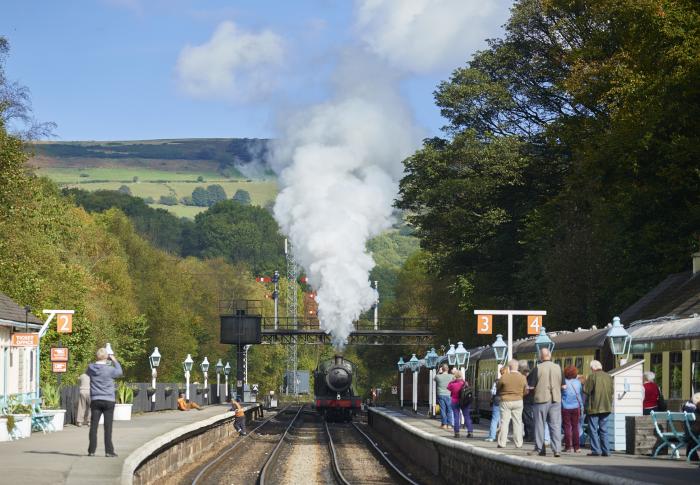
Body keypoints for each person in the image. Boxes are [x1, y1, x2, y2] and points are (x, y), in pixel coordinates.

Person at [528, 348, 565, 457]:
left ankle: (540, 449)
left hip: (541, 400)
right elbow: (564, 386)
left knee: (539, 425)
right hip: (556, 399)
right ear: (550, 355)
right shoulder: (558, 368)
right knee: (555, 425)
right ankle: (557, 450)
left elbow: (531, 386)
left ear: (540, 357)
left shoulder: (537, 368)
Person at [87, 348, 122, 457]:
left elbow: (88, 374)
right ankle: (109, 451)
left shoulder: (91, 368)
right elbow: (120, 372)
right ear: (106, 357)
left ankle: (91, 450)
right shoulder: (110, 369)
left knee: (94, 426)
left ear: (97, 356)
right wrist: (114, 360)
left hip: (96, 399)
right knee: (108, 427)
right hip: (108, 400)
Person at [583, 360, 613, 457]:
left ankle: (596, 450)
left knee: (593, 429)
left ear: (593, 368)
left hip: (594, 407)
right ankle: (606, 451)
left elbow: (586, 391)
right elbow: (612, 391)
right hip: (606, 406)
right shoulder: (608, 376)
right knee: (604, 429)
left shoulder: (592, 377)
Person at [496, 359, 528, 449]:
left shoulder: (504, 377)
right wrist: (521, 395)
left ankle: (502, 443)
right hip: (518, 401)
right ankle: (518, 443)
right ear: (517, 367)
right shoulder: (522, 377)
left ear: (509, 367)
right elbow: (526, 390)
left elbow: (498, 387)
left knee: (504, 422)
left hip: (505, 401)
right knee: (517, 422)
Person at [561, 365, 583, 453]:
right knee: (575, 427)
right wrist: (581, 406)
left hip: (565, 407)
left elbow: (561, 394)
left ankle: (568, 447)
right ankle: (577, 447)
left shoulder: (563, 382)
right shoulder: (578, 383)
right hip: (576, 407)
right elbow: (579, 395)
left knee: (567, 427)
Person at [447, 369, 473, 438]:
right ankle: (470, 432)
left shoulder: (453, 384)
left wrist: (453, 380)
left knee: (456, 416)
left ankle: (457, 432)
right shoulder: (465, 383)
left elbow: (448, 387)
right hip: (464, 402)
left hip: (455, 402)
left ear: (455, 376)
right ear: (461, 376)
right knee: (466, 416)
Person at [486, 365, 508, 441]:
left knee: (495, 419)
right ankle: (503, 437)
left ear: (501, 373)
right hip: (506, 401)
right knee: (504, 419)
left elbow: (493, 391)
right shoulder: (509, 381)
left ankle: (492, 436)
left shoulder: (497, 381)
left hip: (497, 400)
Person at [434, 363, 454, 430]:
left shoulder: (438, 376)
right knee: (449, 410)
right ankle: (449, 425)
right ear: (448, 369)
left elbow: (434, 378)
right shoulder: (451, 376)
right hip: (449, 395)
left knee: (443, 410)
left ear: (442, 369)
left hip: (441, 394)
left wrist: (439, 372)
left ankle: (444, 424)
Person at [681, 392, 700, 461]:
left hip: (687, 431)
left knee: (693, 433)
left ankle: (690, 453)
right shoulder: (696, 409)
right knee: (695, 432)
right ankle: (692, 454)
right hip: (693, 432)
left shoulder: (686, 407)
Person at [519, 361, 535, 442]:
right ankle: (527, 434)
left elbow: (528, 389)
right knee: (525, 418)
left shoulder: (528, 377)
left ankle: (530, 436)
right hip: (528, 400)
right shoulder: (529, 376)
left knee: (527, 418)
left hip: (527, 400)